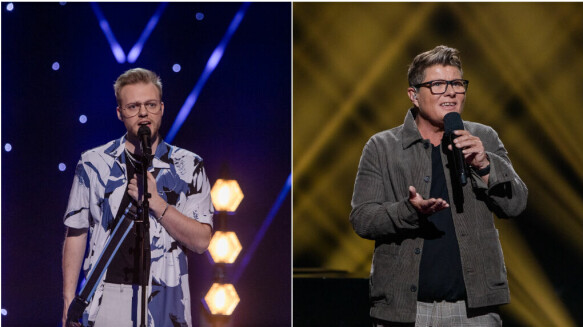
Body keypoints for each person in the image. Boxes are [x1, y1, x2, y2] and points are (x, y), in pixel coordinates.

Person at [349, 45, 528, 326]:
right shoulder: (382, 147)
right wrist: (409, 211)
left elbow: (515, 204)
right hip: (406, 310)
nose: (451, 91)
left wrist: (484, 165)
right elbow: (362, 218)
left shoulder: (484, 138)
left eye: (457, 83)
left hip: (473, 313)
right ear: (414, 95)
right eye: (437, 84)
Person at [62, 68, 214, 327]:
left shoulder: (189, 166)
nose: (144, 113)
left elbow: (201, 241)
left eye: (150, 105)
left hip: (166, 297)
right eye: (133, 106)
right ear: (120, 113)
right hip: (105, 298)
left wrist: (157, 203)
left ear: (162, 108)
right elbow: (76, 234)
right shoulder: (92, 163)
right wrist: (68, 303)